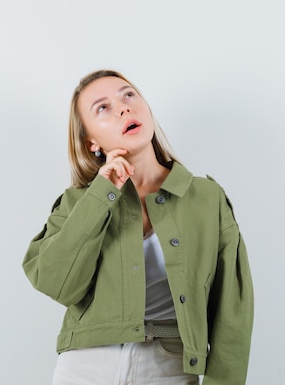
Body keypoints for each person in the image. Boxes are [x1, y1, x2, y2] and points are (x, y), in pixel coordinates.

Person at [22, 70, 253, 385]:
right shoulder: (77, 203)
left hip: (169, 368)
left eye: (128, 94)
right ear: (91, 142)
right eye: (102, 107)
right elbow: (56, 283)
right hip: (84, 367)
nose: (122, 108)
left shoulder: (206, 199)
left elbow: (233, 312)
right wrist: (101, 195)